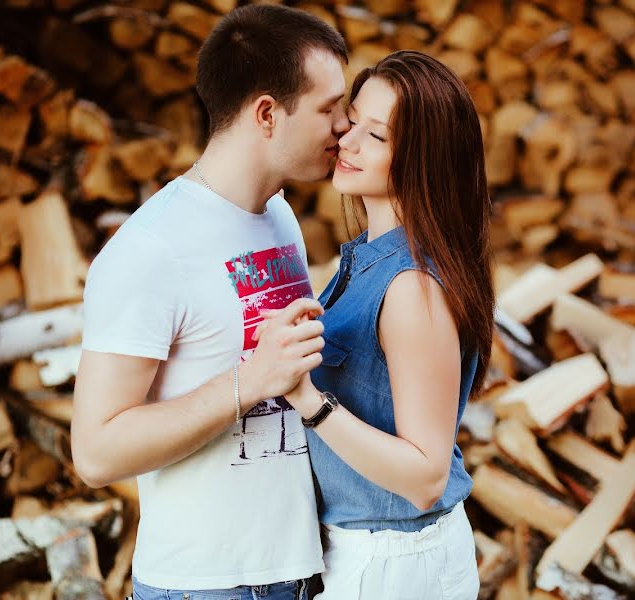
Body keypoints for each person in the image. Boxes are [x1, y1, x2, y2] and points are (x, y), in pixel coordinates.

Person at [71, 6, 349, 599]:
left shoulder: (278, 215)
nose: (346, 125)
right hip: (204, 586)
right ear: (268, 114)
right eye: (330, 108)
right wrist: (249, 381)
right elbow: (95, 452)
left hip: (298, 573)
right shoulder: (150, 249)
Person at [280, 50, 494, 600]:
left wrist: (308, 401)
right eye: (353, 122)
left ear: (424, 160)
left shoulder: (410, 289)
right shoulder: (369, 260)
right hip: (365, 550)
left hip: (394, 562)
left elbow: (425, 478)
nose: (346, 142)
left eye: (376, 137)